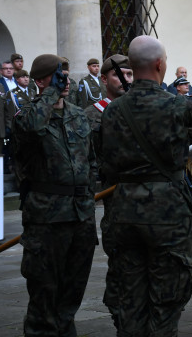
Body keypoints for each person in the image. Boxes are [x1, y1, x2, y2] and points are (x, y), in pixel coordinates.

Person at [100, 36, 192, 336]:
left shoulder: (113, 111)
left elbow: (107, 164)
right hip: (166, 213)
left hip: (124, 211)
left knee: (130, 295)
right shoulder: (176, 105)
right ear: (159, 64)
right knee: (167, 297)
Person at [12, 54, 97, 336]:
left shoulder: (77, 114)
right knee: (44, 294)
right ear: (39, 81)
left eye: (66, 74)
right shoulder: (27, 114)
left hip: (80, 215)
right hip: (46, 219)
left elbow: (90, 158)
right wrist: (50, 93)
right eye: (56, 75)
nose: (65, 80)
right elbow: (33, 127)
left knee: (72, 292)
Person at [83, 53, 133, 329]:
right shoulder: (92, 114)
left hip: (143, 198)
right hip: (114, 197)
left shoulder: (138, 108)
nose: (126, 79)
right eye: (119, 75)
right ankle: (118, 313)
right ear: (103, 79)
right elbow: (89, 160)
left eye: (129, 74)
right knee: (120, 260)